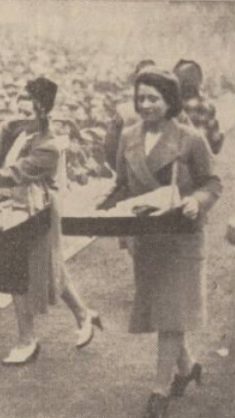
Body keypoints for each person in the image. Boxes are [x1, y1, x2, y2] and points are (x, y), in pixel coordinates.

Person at [0, 77, 102, 365]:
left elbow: (13, 174)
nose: (22, 117)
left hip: (34, 211)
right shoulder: (12, 125)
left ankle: (27, 340)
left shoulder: (48, 146)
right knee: (49, 265)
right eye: (19, 110)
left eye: (28, 113)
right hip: (9, 206)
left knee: (17, 272)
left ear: (44, 112)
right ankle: (84, 314)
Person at [99, 68, 221, 418]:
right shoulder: (128, 135)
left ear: (170, 101)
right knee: (166, 310)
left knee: (171, 314)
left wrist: (197, 201)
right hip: (148, 238)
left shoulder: (190, 138)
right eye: (141, 98)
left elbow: (212, 183)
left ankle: (159, 391)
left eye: (154, 98)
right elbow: (122, 182)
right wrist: (102, 200)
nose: (146, 104)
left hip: (182, 237)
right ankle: (188, 367)